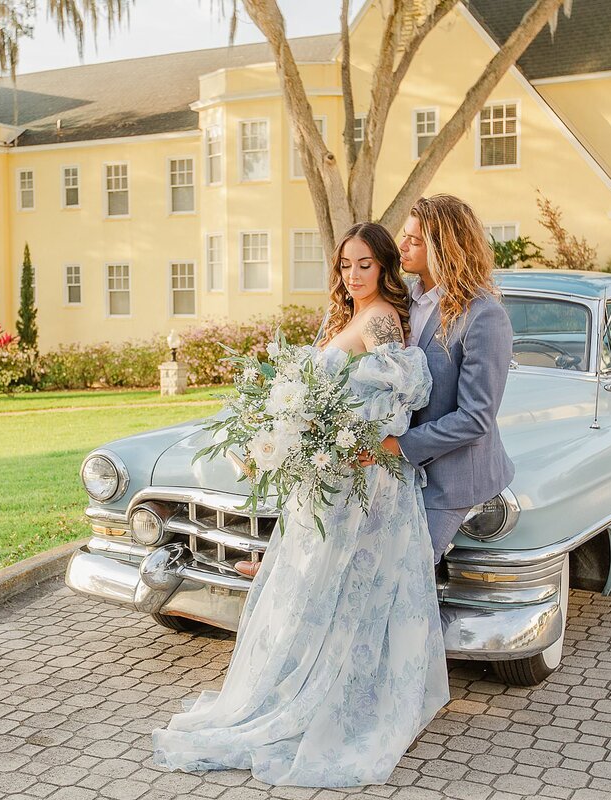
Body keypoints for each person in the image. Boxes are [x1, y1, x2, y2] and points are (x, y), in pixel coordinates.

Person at [152, 222, 450, 787]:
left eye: (365, 264)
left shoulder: (383, 318)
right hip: (327, 481)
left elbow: (403, 396)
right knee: (311, 588)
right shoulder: (349, 316)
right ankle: (293, 685)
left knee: (341, 593)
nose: (353, 275)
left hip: (361, 484)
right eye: (345, 265)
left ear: (385, 267)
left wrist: (355, 440)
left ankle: (331, 700)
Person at [381, 194, 515, 563]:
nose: (402, 246)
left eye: (415, 240)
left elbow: (475, 418)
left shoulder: (484, 316)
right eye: (404, 236)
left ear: (444, 248)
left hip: (451, 481)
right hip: (394, 470)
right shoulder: (403, 298)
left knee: (407, 574)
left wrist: (400, 445)